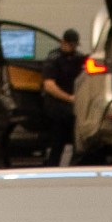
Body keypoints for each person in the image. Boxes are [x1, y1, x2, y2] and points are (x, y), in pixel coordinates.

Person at [40, 29, 88, 163]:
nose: (73, 48)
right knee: (57, 141)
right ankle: (53, 166)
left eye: (75, 45)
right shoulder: (53, 59)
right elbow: (49, 85)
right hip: (57, 104)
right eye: (71, 45)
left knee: (78, 142)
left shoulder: (78, 58)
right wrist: (69, 98)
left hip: (73, 104)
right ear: (63, 42)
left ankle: (75, 165)